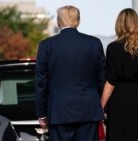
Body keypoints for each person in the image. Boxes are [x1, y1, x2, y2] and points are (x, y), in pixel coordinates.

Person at [35, 5, 105, 141]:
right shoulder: (94, 43)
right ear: (78, 20)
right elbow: (101, 77)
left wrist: (42, 113)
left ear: (58, 22)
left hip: (58, 112)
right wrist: (103, 108)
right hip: (88, 111)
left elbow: (41, 82)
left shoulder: (46, 45)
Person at [101, 8, 138, 141]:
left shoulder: (113, 48)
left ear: (119, 25)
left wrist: (101, 106)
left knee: (120, 134)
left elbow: (111, 81)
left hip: (119, 99)